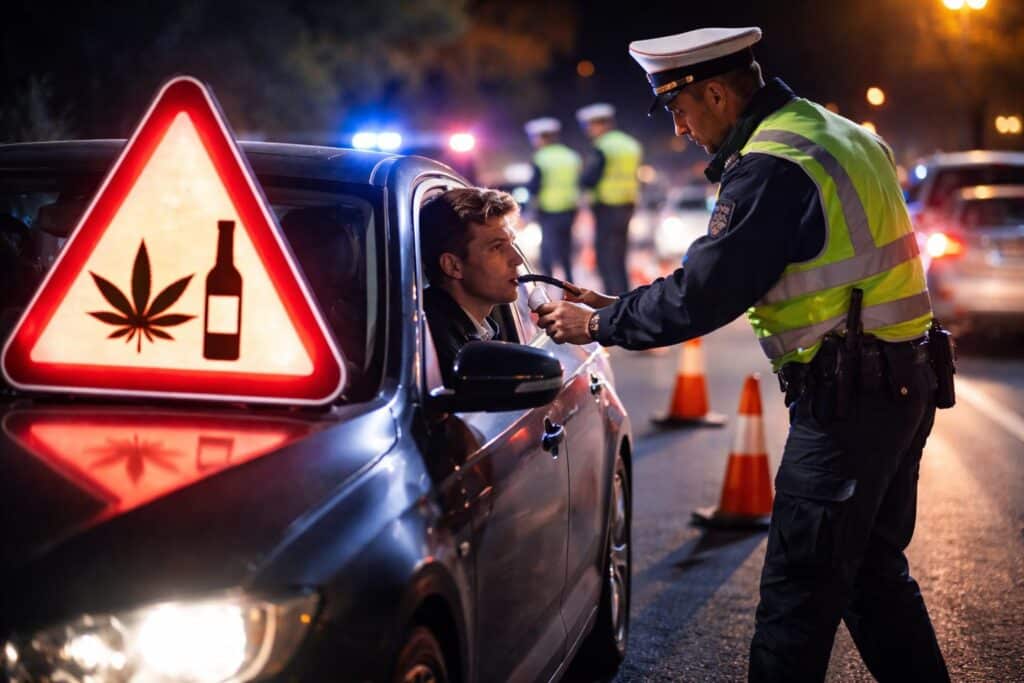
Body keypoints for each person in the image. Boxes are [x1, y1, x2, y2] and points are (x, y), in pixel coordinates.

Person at [536, 26, 951, 683]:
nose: (679, 129)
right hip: (902, 382)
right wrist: (618, 304)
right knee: (872, 576)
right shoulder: (838, 133)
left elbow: (706, 293)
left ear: (717, 94)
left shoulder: (772, 163)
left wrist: (598, 323)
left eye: (679, 109)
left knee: (796, 600)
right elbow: (747, 273)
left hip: (849, 403)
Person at [419, 187, 523, 386]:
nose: (517, 259)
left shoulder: (482, 328)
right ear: (453, 266)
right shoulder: (437, 346)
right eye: (497, 247)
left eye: (512, 243)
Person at [576, 102, 642, 294]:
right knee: (619, 258)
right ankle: (625, 298)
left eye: (589, 126)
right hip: (627, 205)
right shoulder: (630, 144)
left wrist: (581, 179)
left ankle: (611, 301)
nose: (588, 131)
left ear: (600, 124)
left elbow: (590, 178)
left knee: (606, 259)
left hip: (607, 208)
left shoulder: (604, 146)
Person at [524, 116, 581, 282]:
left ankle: (547, 283)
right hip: (570, 209)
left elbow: (534, 187)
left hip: (549, 210)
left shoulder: (541, 157)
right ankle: (570, 284)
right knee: (565, 249)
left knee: (547, 250)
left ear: (542, 137)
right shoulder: (571, 156)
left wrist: (529, 209)